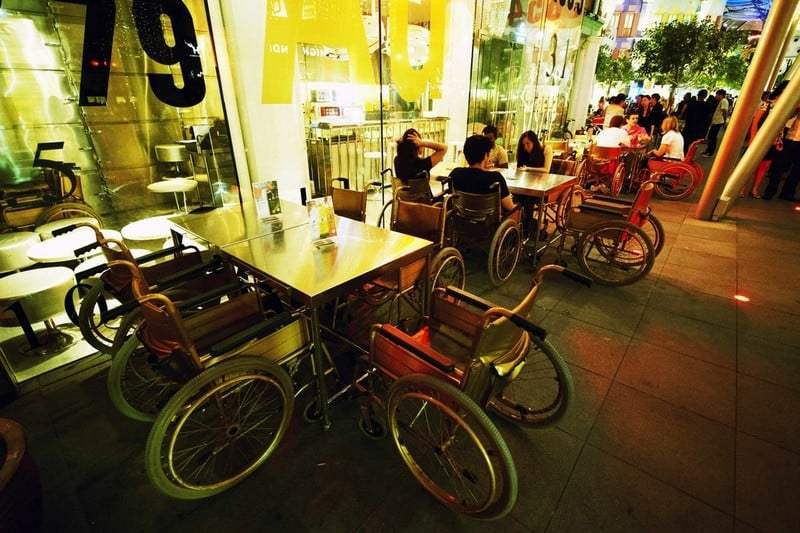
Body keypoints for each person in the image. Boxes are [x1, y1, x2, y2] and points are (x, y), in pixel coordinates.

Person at [449, 135, 516, 213]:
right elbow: (509, 207)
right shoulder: (495, 178)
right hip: (489, 224)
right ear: (485, 155)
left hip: (461, 221)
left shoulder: (455, 173)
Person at [747, 84, 786, 198]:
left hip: (774, 141)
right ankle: (742, 186)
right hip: (759, 139)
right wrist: (752, 138)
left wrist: (779, 140)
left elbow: (782, 126)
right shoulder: (767, 104)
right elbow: (755, 123)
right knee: (751, 164)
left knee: (765, 165)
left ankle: (755, 188)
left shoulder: (787, 107)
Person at [763, 103, 800, 201]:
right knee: (779, 166)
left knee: (797, 169)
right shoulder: (795, 103)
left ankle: (787, 193)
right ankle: (770, 191)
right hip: (789, 138)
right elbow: (787, 117)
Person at [683, 89, 711, 153]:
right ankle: (689, 157)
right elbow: (707, 119)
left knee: (685, 144)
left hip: (689, 127)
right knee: (694, 145)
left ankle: (684, 156)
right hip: (699, 129)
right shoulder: (707, 106)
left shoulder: (691, 104)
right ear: (705, 96)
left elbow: (686, 115)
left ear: (698, 95)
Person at [703, 89, 729, 156]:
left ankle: (710, 152)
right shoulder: (722, 101)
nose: (716, 96)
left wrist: (725, 121)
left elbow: (724, 111)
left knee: (712, 137)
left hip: (718, 122)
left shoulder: (724, 101)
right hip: (716, 121)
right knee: (711, 136)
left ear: (721, 95)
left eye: (717, 95)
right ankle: (708, 150)